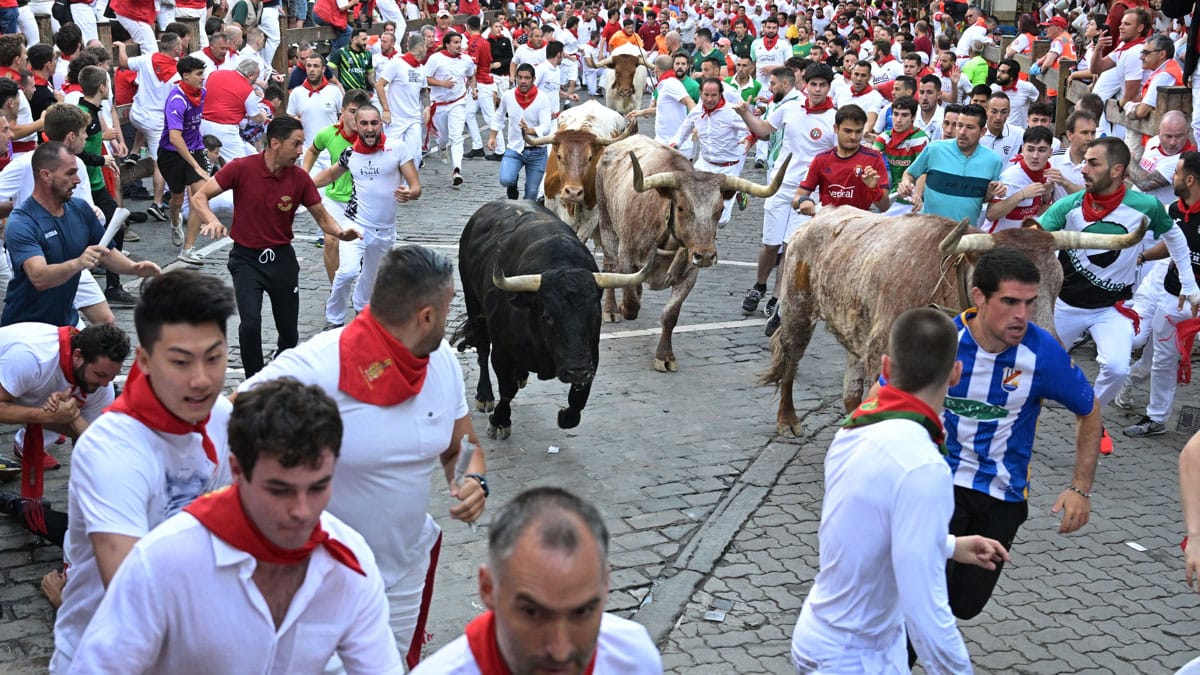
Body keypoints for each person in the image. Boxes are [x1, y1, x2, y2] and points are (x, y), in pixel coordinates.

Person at [238, 245, 488, 670]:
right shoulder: (319, 365)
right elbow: (230, 416)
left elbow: (459, 445)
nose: (450, 320)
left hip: (403, 574)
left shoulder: (442, 361)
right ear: (426, 316)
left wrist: (470, 479)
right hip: (323, 581)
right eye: (448, 308)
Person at [66, 379, 403, 674]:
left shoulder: (351, 561)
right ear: (237, 471)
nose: (302, 511)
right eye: (279, 490)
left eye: (318, 487)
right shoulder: (163, 562)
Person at [791, 307, 1009, 673]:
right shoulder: (923, 466)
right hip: (857, 658)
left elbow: (871, 526)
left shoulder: (854, 429)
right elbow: (925, 607)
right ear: (956, 373)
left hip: (820, 636)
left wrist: (951, 545)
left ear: (887, 368)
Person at [911, 248, 1101, 662]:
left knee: (965, 603)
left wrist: (1080, 489)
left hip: (1002, 496)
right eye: (1010, 302)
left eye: (1030, 303)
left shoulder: (1042, 353)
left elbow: (1089, 411)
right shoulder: (942, 339)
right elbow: (888, 397)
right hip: (937, 486)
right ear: (979, 297)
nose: (1022, 315)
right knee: (922, 592)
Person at [50, 269, 237, 673]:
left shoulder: (221, 417)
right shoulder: (111, 449)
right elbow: (130, 587)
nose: (201, 380)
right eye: (181, 362)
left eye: (215, 357)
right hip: (108, 656)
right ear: (146, 361)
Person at [413, 487, 662, 674]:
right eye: (532, 613)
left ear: (605, 584)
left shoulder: (634, 659)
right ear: (488, 589)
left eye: (583, 612)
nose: (560, 650)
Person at [190, 116, 360, 379]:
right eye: (296, 144)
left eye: (303, 144)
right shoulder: (240, 168)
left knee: (289, 333)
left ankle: (280, 373)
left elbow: (322, 216)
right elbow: (200, 196)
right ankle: (254, 381)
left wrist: (340, 232)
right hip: (246, 260)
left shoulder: (300, 179)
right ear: (275, 143)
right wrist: (211, 220)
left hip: (282, 260)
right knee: (250, 324)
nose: (301, 151)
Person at [1040, 137, 1200, 414]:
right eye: (1085, 162)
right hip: (1066, 305)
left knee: (1116, 367)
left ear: (1116, 171)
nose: (1083, 169)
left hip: (1111, 309)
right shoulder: (1068, 206)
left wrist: (1188, 282)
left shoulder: (1145, 206)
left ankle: (1090, 413)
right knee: (1037, 363)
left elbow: (1175, 236)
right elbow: (1034, 240)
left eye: (1093, 163)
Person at [1, 142, 159, 328]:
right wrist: (79, 263)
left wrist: (135, 268)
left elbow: (106, 254)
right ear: (46, 175)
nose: (77, 180)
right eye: (70, 173)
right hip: (27, 329)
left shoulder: (80, 208)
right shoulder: (22, 222)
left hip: (67, 322)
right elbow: (39, 277)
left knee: (106, 332)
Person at [0, 322, 128, 526]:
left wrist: (73, 417)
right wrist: (45, 416)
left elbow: (94, 442)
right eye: (100, 375)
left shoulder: (101, 386)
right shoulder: (32, 358)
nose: (104, 384)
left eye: (110, 378)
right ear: (77, 356)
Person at [735, 63, 836, 321]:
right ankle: (759, 285)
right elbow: (764, 131)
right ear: (805, 84)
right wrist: (746, 115)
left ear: (828, 87)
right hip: (780, 187)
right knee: (770, 245)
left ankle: (778, 299)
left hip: (808, 194)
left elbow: (837, 158)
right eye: (813, 84)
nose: (817, 90)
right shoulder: (789, 108)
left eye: (822, 85)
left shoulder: (833, 118)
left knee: (790, 248)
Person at [314, 103, 421, 328]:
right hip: (356, 224)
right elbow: (329, 175)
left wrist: (409, 193)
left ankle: (362, 308)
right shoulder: (350, 154)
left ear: (381, 124)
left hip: (385, 230)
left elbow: (416, 187)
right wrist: (300, 184)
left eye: (374, 123)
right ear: (356, 125)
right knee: (347, 271)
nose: (370, 128)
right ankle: (334, 319)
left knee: (371, 278)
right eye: (364, 123)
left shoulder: (397, 148)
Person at [1118, 151, 1200, 436]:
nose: (1172, 178)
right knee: (1163, 359)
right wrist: (1143, 257)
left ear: (1189, 180)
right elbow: (1172, 246)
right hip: (1170, 294)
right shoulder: (1175, 210)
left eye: (1176, 173)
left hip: (1197, 301)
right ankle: (1156, 418)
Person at [896, 103, 1005, 223]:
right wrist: (906, 183)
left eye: (970, 127)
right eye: (960, 125)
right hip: (929, 231)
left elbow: (983, 199)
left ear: (982, 132)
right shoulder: (934, 149)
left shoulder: (993, 161)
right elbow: (910, 173)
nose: (962, 132)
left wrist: (992, 191)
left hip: (965, 235)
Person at [304, 89, 370, 284]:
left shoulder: (371, 135)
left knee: (365, 248)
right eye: (352, 111)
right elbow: (312, 150)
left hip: (363, 202)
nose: (355, 117)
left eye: (360, 112)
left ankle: (362, 287)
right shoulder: (328, 133)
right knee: (330, 241)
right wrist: (304, 174)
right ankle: (335, 288)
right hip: (334, 198)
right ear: (342, 111)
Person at [156, 56, 212, 265]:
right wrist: (195, 164)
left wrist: (198, 158)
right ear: (185, 76)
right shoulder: (176, 100)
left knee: (200, 196)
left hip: (195, 149)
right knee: (177, 199)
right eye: (198, 74)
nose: (202, 78)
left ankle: (188, 249)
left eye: (203, 73)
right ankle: (174, 221)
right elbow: (174, 137)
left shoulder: (202, 94)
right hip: (172, 154)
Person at [671, 77, 749, 224]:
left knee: (721, 221)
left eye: (714, 95)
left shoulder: (732, 112)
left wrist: (750, 138)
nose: (709, 99)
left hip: (728, 168)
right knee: (693, 207)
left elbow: (753, 128)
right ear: (700, 93)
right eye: (706, 95)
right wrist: (674, 145)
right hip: (704, 166)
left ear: (721, 94)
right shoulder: (696, 112)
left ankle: (738, 191)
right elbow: (682, 132)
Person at [792, 102, 890, 216]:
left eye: (858, 131)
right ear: (836, 128)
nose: (853, 137)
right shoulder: (821, 159)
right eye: (848, 131)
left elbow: (884, 207)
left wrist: (873, 189)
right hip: (827, 224)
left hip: (860, 226)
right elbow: (797, 198)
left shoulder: (874, 158)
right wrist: (804, 201)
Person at [490, 63, 553, 201]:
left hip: (537, 151)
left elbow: (546, 126)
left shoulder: (542, 98)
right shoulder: (508, 95)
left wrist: (529, 130)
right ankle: (512, 185)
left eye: (527, 78)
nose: (523, 81)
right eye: (520, 77)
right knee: (505, 179)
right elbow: (499, 117)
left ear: (533, 79)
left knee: (531, 195)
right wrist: (492, 137)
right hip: (514, 149)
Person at [426, 31, 478, 188]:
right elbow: (425, 78)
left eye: (459, 42)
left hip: (457, 102)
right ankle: (442, 147)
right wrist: (442, 84)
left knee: (457, 136)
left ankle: (457, 170)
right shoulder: (436, 59)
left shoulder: (466, 60)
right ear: (447, 44)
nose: (458, 45)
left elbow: (471, 76)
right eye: (455, 42)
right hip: (439, 104)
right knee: (444, 137)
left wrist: (473, 89)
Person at [985, 125, 1055, 232]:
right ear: (1023, 150)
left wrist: (1047, 200)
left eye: (1041, 150)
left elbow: (1038, 213)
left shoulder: (1050, 173)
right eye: (1030, 149)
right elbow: (991, 214)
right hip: (996, 242)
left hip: (1021, 242)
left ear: (1050, 152)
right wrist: (1021, 195)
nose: (1035, 156)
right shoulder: (1011, 176)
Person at [627, 55, 696, 156]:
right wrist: (641, 112)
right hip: (665, 143)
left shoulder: (670, 83)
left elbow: (689, 102)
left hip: (676, 146)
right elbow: (663, 109)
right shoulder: (667, 83)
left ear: (656, 69)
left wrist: (695, 124)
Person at [377, 35, 430, 164]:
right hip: (396, 119)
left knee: (415, 156)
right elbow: (379, 85)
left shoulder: (421, 69)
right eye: (425, 47)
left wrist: (427, 107)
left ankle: (408, 184)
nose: (426, 50)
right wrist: (386, 110)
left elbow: (424, 91)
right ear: (420, 47)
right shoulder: (397, 63)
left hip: (414, 119)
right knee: (391, 156)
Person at [872, 96, 929, 215]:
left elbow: (924, 171)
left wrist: (917, 194)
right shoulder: (885, 136)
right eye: (895, 114)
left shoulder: (920, 138)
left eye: (904, 115)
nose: (898, 120)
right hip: (896, 193)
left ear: (913, 117)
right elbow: (873, 154)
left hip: (918, 196)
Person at [288, 53, 342, 153]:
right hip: (307, 151)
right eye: (309, 66)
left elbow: (342, 117)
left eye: (316, 66)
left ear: (323, 69)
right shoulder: (296, 93)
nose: (311, 69)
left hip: (331, 150)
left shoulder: (335, 91)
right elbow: (290, 118)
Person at [1047, 110, 1097, 200]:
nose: (1090, 138)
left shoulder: (1100, 163)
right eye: (1084, 133)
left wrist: (1065, 183)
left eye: (1093, 133)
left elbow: (1095, 197)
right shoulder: (1053, 160)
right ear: (1069, 135)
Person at [980, 91, 1024, 164]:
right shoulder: (976, 133)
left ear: (1009, 112)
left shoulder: (1019, 134)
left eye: (1003, 112)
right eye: (994, 112)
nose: (998, 117)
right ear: (986, 110)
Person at [330, 27, 375, 93]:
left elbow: (370, 72)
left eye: (366, 39)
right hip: (347, 92)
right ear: (354, 39)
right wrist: (337, 84)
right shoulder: (341, 52)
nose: (366, 42)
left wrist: (374, 84)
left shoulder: (368, 54)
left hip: (362, 92)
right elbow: (329, 69)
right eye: (363, 39)